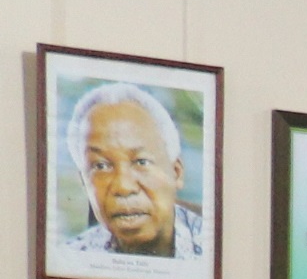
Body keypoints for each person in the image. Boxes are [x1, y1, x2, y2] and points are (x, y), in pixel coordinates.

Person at [64, 82, 203, 264]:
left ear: (176, 172)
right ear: (84, 181)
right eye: (101, 166)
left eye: (141, 162)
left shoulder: (217, 251)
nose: (123, 186)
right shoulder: (71, 259)